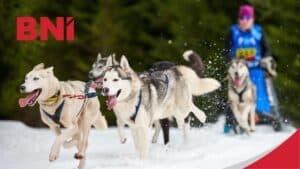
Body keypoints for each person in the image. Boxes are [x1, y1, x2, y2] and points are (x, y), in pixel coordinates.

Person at [223, 5, 281, 133]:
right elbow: (226, 50)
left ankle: (274, 118)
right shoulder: (233, 32)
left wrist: (266, 60)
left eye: (247, 18)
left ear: (252, 19)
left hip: (256, 70)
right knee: (234, 96)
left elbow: (266, 50)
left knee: (264, 94)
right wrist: (230, 61)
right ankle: (228, 124)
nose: (244, 21)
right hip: (239, 70)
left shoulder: (258, 32)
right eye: (242, 18)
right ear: (238, 19)